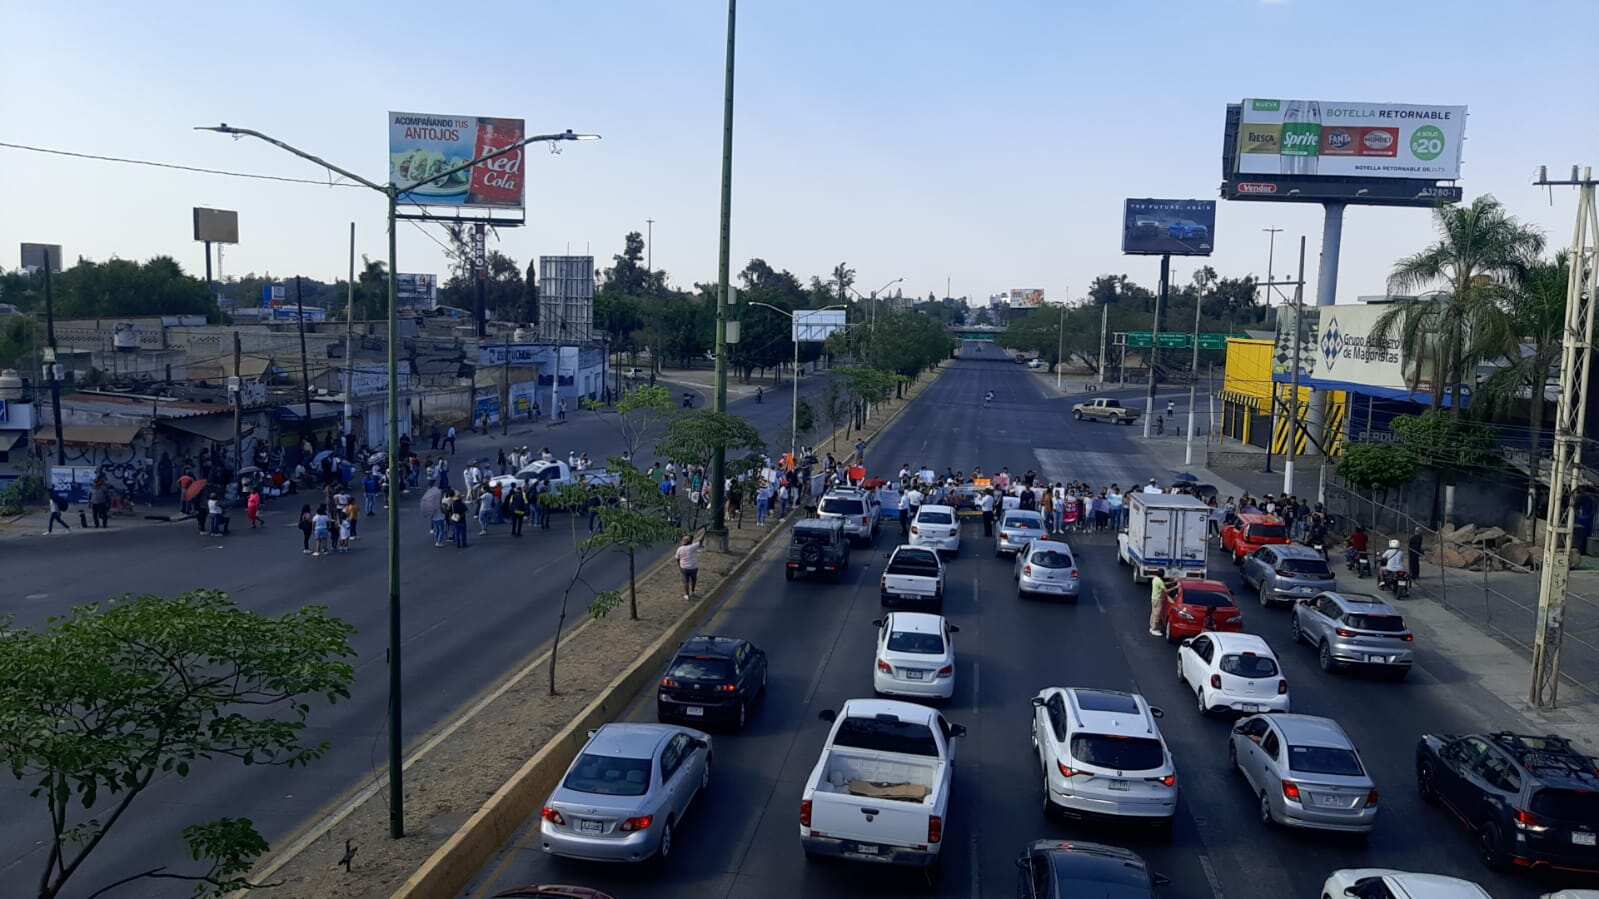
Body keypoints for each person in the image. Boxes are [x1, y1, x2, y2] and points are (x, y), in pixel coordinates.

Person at [676, 531, 704, 600]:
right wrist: (704, 533)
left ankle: (687, 595)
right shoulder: (692, 547)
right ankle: (693, 591)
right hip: (693, 567)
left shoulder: (680, 549)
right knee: (694, 579)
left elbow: (677, 558)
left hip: (684, 568)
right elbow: (700, 541)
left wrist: (679, 566)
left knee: (686, 581)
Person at [1148, 568, 1168, 637]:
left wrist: (1171, 583)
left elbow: (1162, 584)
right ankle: (1154, 629)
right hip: (1158, 599)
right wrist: (1175, 587)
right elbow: (1166, 591)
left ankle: (1151, 626)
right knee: (1157, 614)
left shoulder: (1155, 579)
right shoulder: (1160, 581)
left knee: (1153, 612)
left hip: (1153, 598)